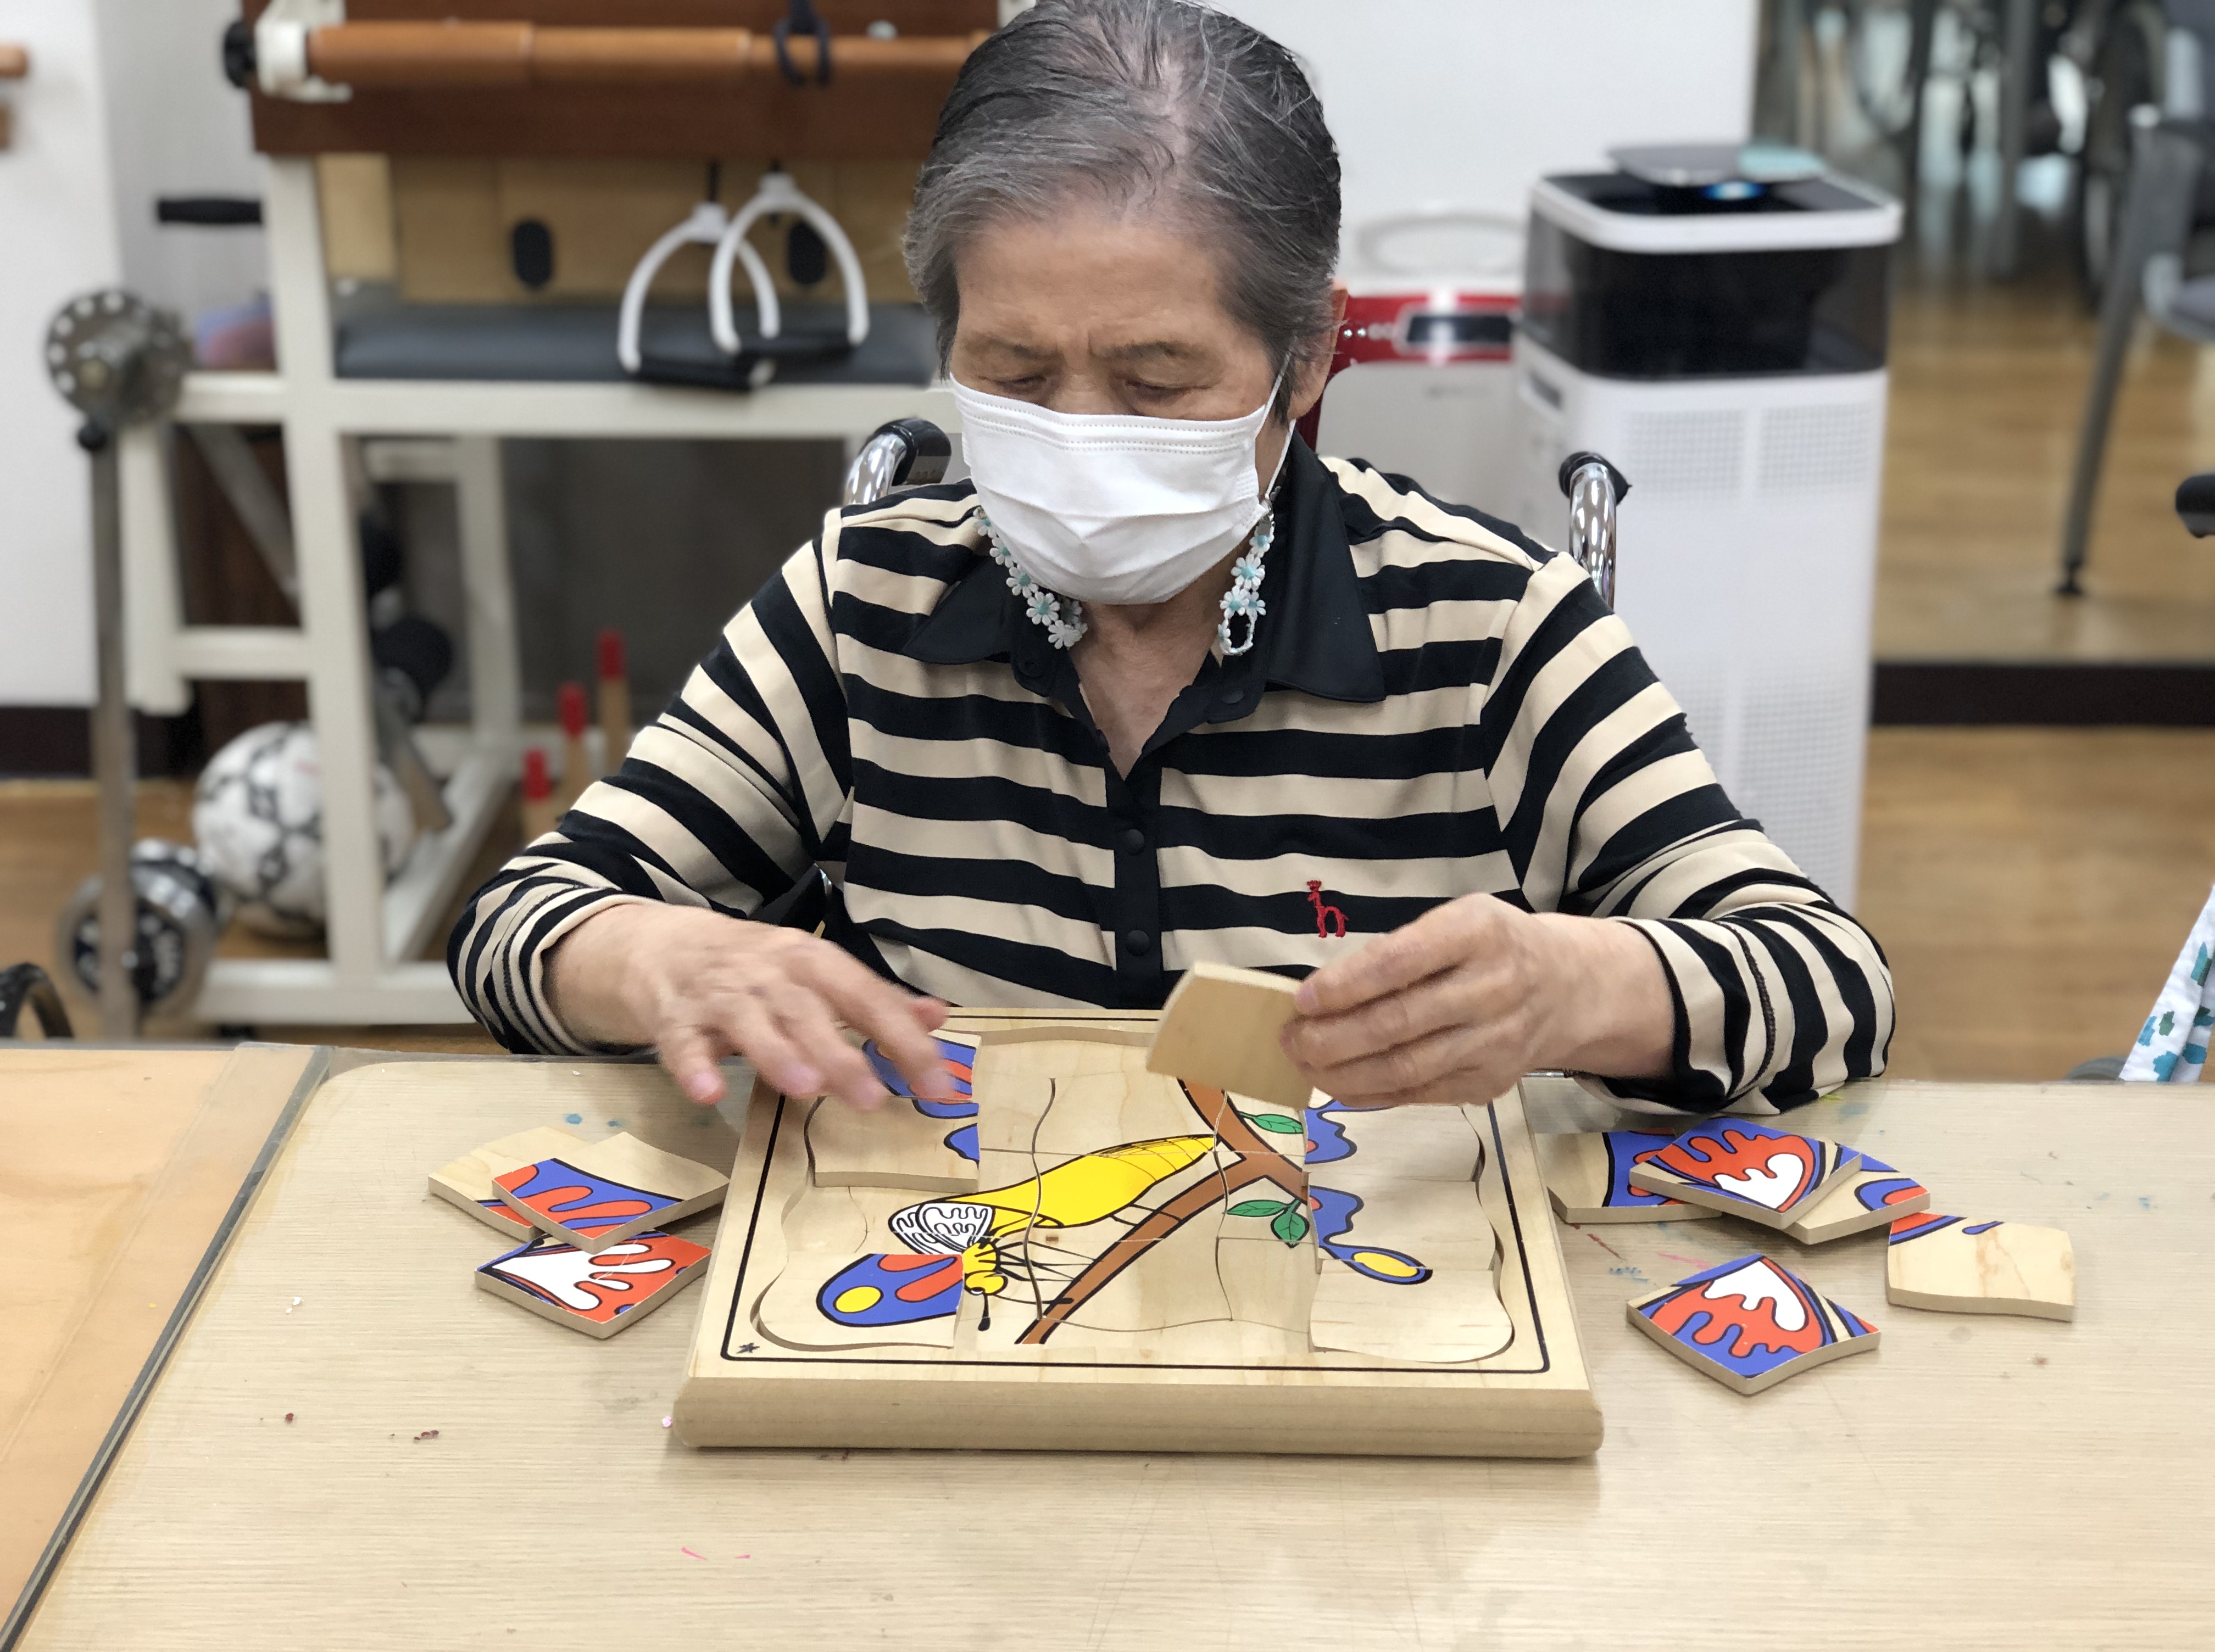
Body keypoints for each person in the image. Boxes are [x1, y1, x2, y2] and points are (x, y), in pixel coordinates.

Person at [448, 0, 1893, 1119]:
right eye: (1014, 373)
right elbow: (517, 927)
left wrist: (1577, 986)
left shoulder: (1491, 629)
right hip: (955, 1291)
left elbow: (1833, 981)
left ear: (1308, 356)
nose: (1079, 436)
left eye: (1154, 383)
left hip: (1354, 1312)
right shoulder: (865, 604)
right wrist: (657, 960)